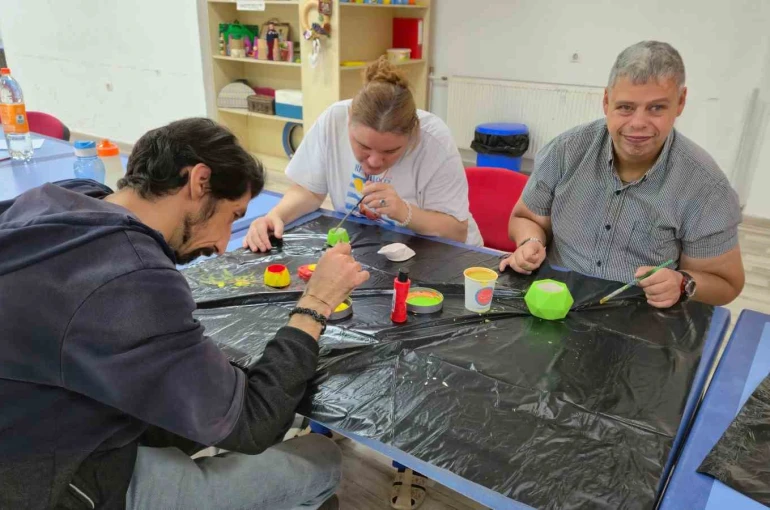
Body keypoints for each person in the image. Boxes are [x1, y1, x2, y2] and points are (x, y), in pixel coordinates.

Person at [0, 118, 370, 510]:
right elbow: (253, 423)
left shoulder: (58, 198)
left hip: (45, 427)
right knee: (321, 460)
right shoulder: (131, 275)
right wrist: (316, 303)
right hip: (55, 484)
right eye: (232, 216)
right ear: (199, 181)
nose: (226, 245)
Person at [500, 41, 744, 308]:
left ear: (681, 102)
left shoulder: (705, 188)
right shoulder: (565, 152)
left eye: (656, 108)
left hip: (640, 317)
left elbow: (726, 283)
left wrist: (682, 283)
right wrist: (530, 241)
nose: (638, 124)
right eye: (626, 107)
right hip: (556, 301)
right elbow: (525, 217)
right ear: (606, 101)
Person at [243, 56, 483, 252]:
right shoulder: (333, 119)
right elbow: (309, 190)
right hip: (371, 248)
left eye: (391, 151)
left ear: (413, 134)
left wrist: (404, 211)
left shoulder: (435, 142)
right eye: (364, 147)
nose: (375, 161)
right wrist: (276, 216)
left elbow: (457, 232)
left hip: (442, 255)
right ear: (348, 120)